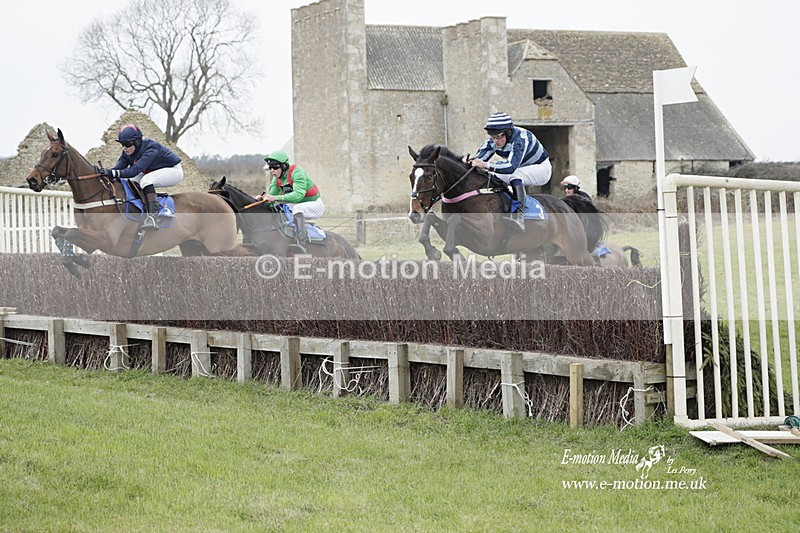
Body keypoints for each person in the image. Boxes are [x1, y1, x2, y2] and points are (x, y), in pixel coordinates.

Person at [470, 112, 552, 232]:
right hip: (519, 168)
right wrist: (469, 162)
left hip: (541, 169)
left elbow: (510, 167)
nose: (495, 141)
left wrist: (486, 165)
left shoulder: (521, 139)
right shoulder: (494, 140)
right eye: (492, 137)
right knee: (489, 175)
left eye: (498, 137)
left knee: (515, 174)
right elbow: (478, 160)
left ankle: (519, 215)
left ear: (508, 132)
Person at [98, 124, 183, 230]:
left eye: (127, 144)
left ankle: (152, 217)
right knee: (129, 181)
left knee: (146, 181)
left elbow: (134, 171)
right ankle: (140, 209)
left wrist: (112, 173)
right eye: (122, 144)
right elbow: (118, 169)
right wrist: (105, 174)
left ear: (137, 142)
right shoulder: (127, 152)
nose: (124, 148)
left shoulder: (151, 148)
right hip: (153, 171)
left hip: (173, 171)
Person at [257, 150, 324, 253]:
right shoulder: (276, 179)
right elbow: (270, 198)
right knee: (281, 208)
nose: (272, 171)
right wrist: (262, 199)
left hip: (315, 205)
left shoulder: (297, 172)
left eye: (275, 167)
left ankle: (301, 243)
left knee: (297, 208)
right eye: (270, 168)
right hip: (298, 205)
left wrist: (276, 198)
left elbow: (298, 195)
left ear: (284, 166)